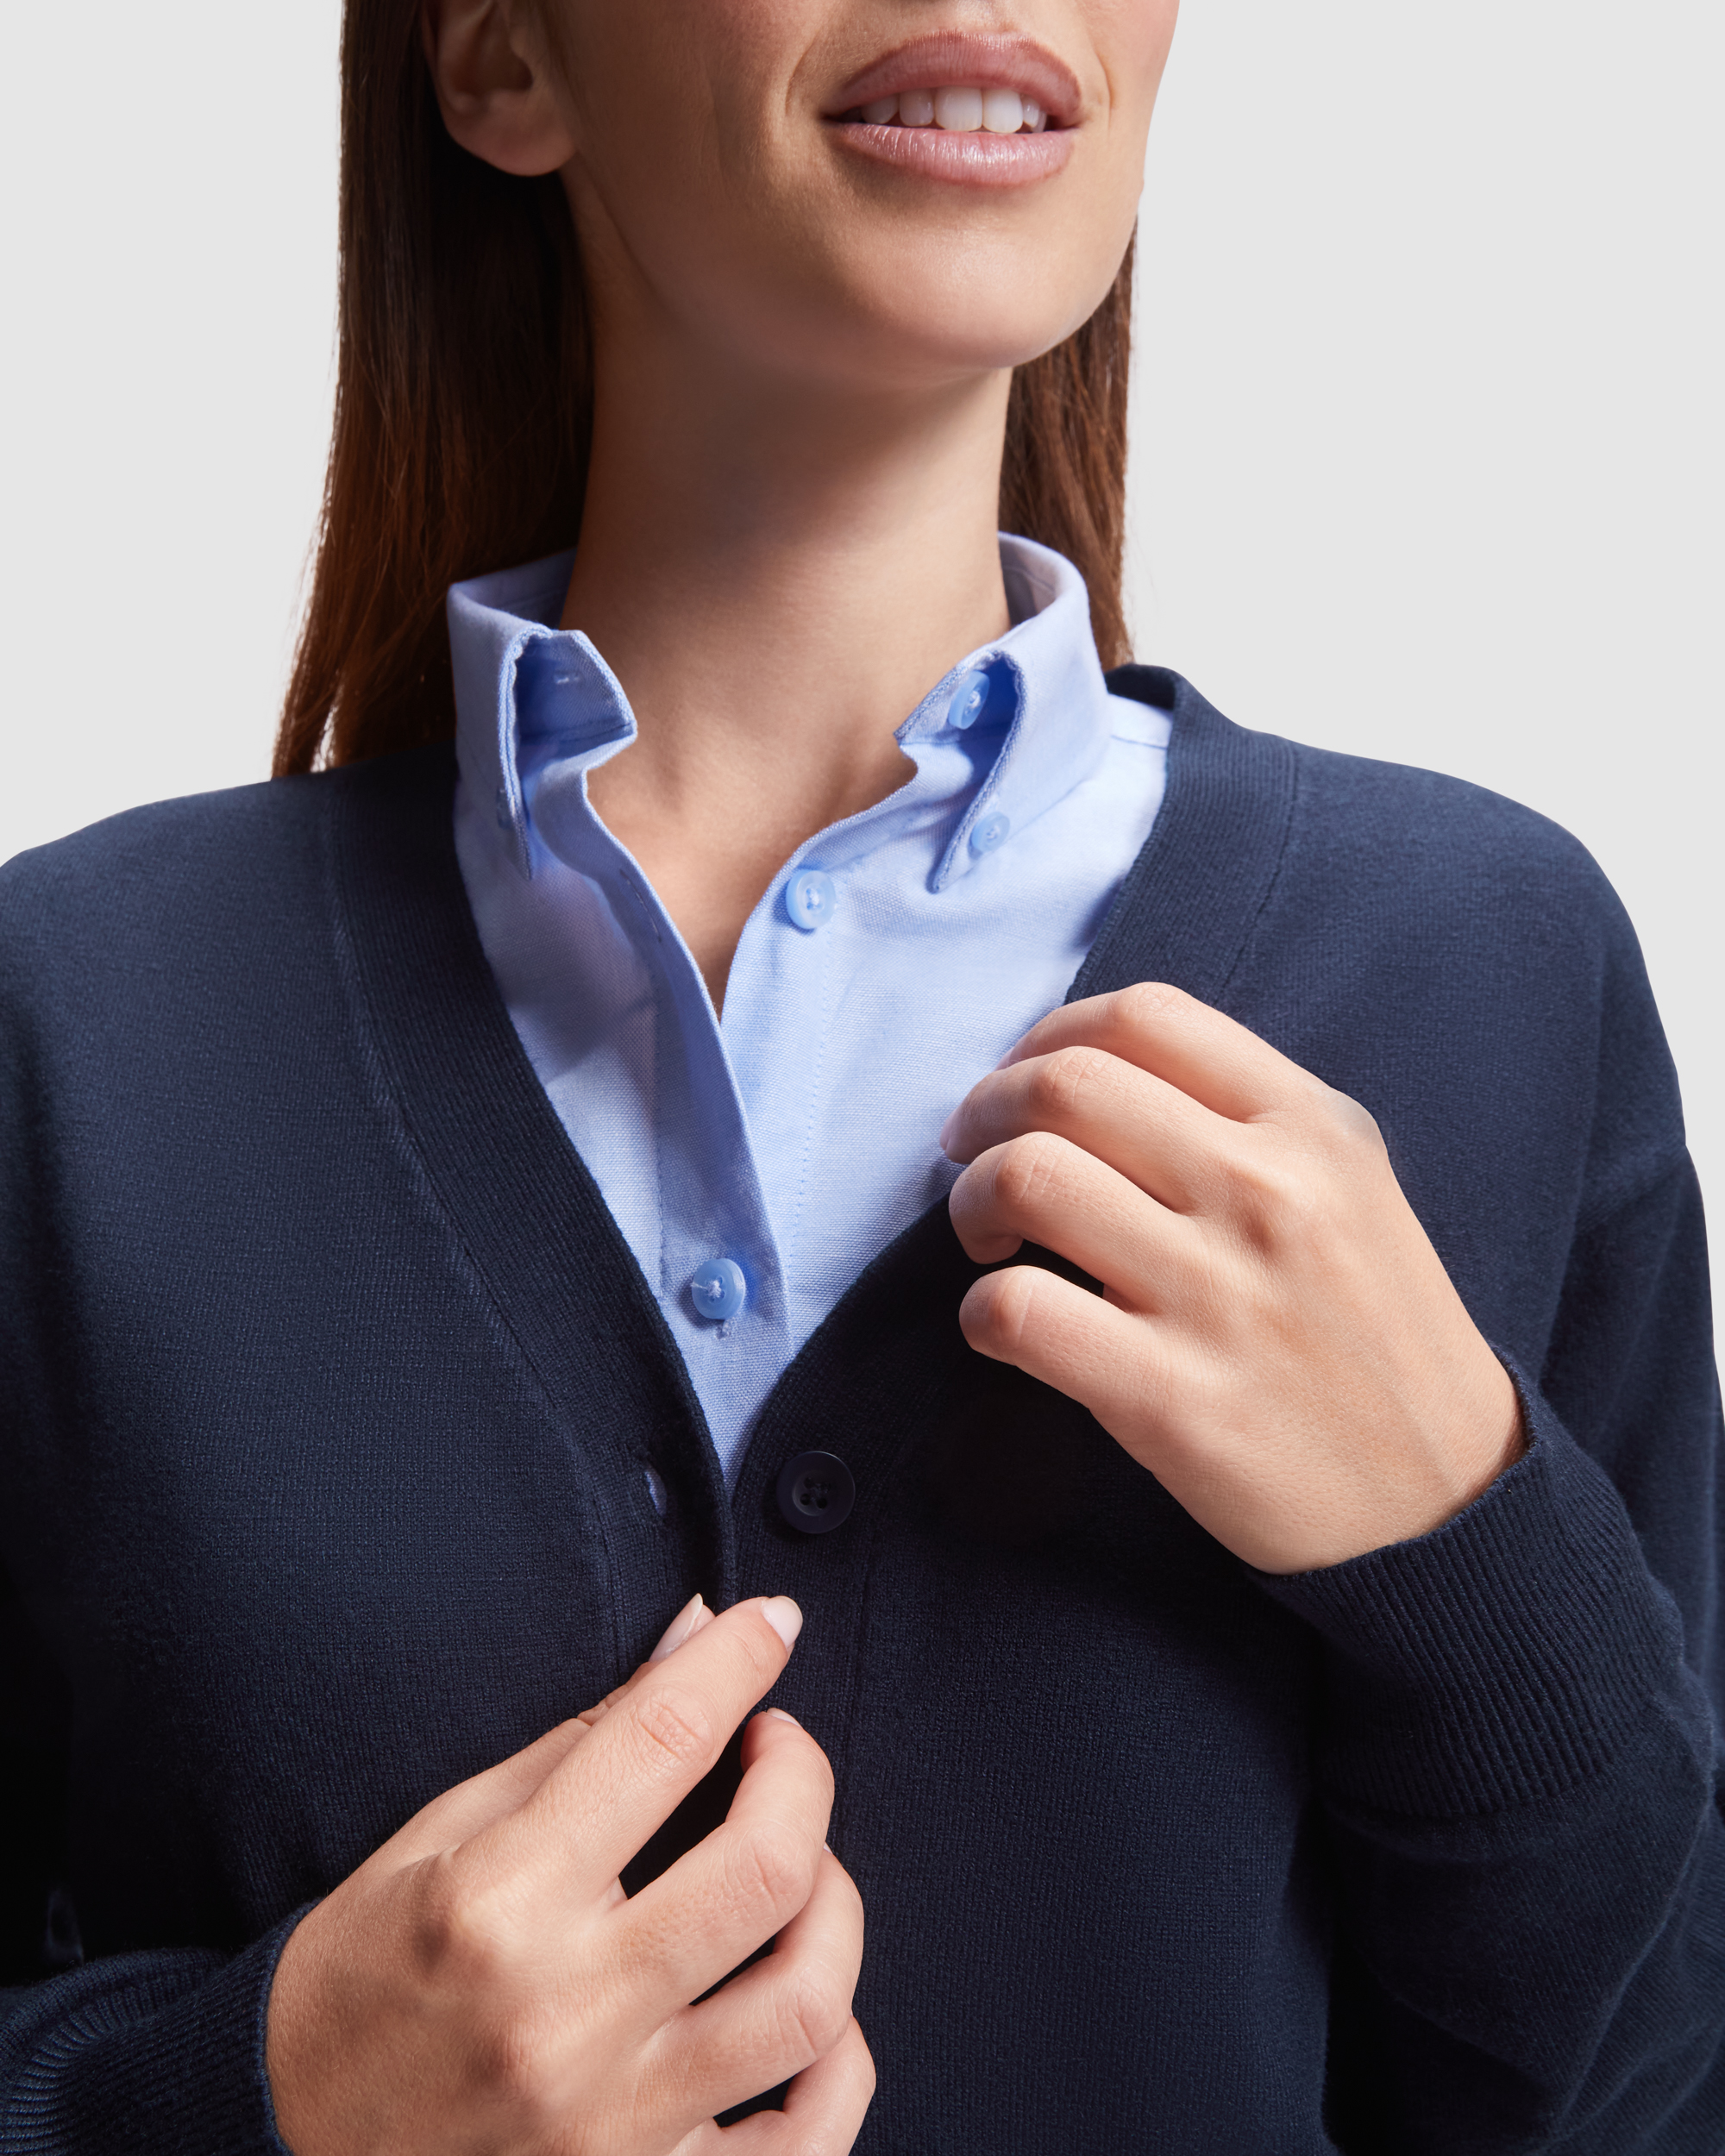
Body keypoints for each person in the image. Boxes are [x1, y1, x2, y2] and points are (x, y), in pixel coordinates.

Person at [0, 0, 1719, 2147]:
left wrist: (1466, 1543)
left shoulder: (1488, 973)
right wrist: (254, 2104)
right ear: (502, 61)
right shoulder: (72, 1034)